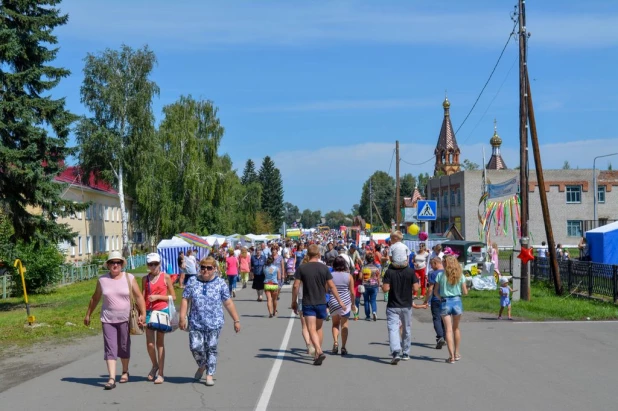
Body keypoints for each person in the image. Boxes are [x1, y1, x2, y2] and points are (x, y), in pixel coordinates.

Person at [84, 251, 146, 390]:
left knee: (124, 346)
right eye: (112, 262)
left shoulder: (129, 278)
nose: (115, 265)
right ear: (108, 265)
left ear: (122, 264)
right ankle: (111, 378)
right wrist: (88, 314)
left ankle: (125, 371)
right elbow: (95, 298)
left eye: (118, 262)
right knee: (110, 348)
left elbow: (139, 297)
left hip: (125, 319)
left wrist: (143, 313)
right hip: (107, 319)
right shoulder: (102, 280)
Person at [179, 256, 241, 387]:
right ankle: (202, 365)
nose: (205, 270)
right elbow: (185, 299)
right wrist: (182, 317)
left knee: (211, 349)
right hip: (196, 322)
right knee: (195, 347)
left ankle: (209, 374)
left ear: (215, 269)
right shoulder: (192, 281)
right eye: (203, 267)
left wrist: (236, 320)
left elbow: (228, 303)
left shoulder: (220, 283)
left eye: (209, 268)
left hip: (215, 322)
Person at [291, 244, 345, 366]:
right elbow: (331, 286)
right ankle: (317, 353)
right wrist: (340, 301)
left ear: (308, 255)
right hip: (321, 302)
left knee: (311, 329)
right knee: (319, 328)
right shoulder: (324, 268)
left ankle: (319, 351)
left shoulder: (302, 268)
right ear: (319, 255)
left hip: (308, 302)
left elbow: (295, 286)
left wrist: (293, 301)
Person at [382, 259, 425, 364]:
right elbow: (415, 287)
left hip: (393, 305)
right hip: (406, 304)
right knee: (406, 329)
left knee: (393, 329)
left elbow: (385, 288)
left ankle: (396, 352)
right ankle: (406, 352)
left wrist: (392, 284)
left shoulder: (389, 272)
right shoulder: (410, 271)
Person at [142, 253, 175, 384]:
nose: (153, 267)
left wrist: (158, 298)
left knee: (159, 343)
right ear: (148, 265)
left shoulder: (165, 277)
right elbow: (143, 297)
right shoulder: (145, 279)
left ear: (160, 263)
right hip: (149, 312)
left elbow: (174, 296)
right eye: (151, 264)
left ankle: (161, 373)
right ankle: (154, 365)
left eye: (156, 264)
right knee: (150, 343)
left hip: (162, 311)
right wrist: (142, 313)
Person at [433, 255, 468, 364]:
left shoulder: (440, 275)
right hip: (457, 301)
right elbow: (465, 292)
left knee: (447, 329)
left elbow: (435, 291)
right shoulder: (460, 275)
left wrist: (440, 298)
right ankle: (457, 353)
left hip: (445, 302)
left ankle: (451, 356)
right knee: (456, 329)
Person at [328, 256, 356, 355]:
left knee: (335, 324)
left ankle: (335, 342)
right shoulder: (349, 276)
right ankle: (343, 347)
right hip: (345, 303)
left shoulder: (330, 275)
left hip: (333, 302)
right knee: (344, 325)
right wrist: (353, 304)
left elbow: (326, 289)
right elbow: (352, 292)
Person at [424, 257, 446, 350]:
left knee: (436, 318)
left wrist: (426, 300)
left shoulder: (434, 274)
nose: (431, 267)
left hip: (436, 299)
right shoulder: (446, 273)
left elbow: (430, 289)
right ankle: (445, 337)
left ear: (436, 263)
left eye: (431, 265)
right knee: (444, 319)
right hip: (446, 298)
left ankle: (440, 337)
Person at [360, 253, 381, 321]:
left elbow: (360, 277)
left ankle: (368, 316)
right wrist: (378, 285)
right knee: (373, 300)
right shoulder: (376, 268)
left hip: (365, 285)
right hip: (374, 285)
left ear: (366, 259)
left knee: (366, 301)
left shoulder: (364, 267)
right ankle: (374, 312)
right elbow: (378, 278)